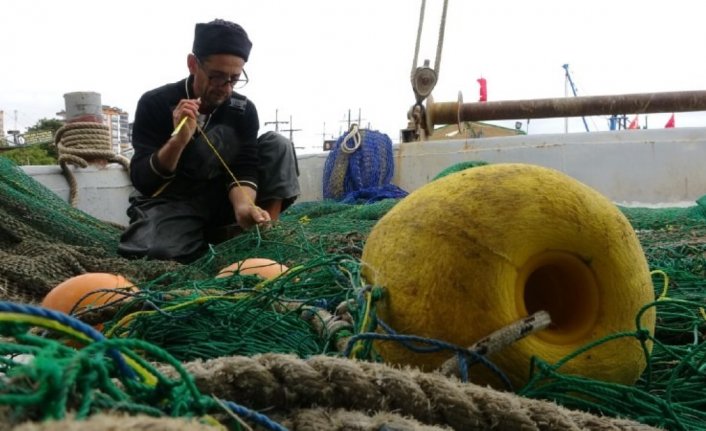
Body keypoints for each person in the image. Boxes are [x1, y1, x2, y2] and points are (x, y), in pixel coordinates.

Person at [118, 19, 300, 263]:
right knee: (156, 253)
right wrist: (178, 142)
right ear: (193, 64)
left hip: (224, 199)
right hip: (174, 201)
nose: (225, 88)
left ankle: (263, 235)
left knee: (278, 144)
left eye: (234, 79)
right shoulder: (155, 102)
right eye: (216, 77)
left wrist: (244, 207)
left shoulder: (243, 110)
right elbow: (144, 181)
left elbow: (244, 166)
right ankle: (208, 236)